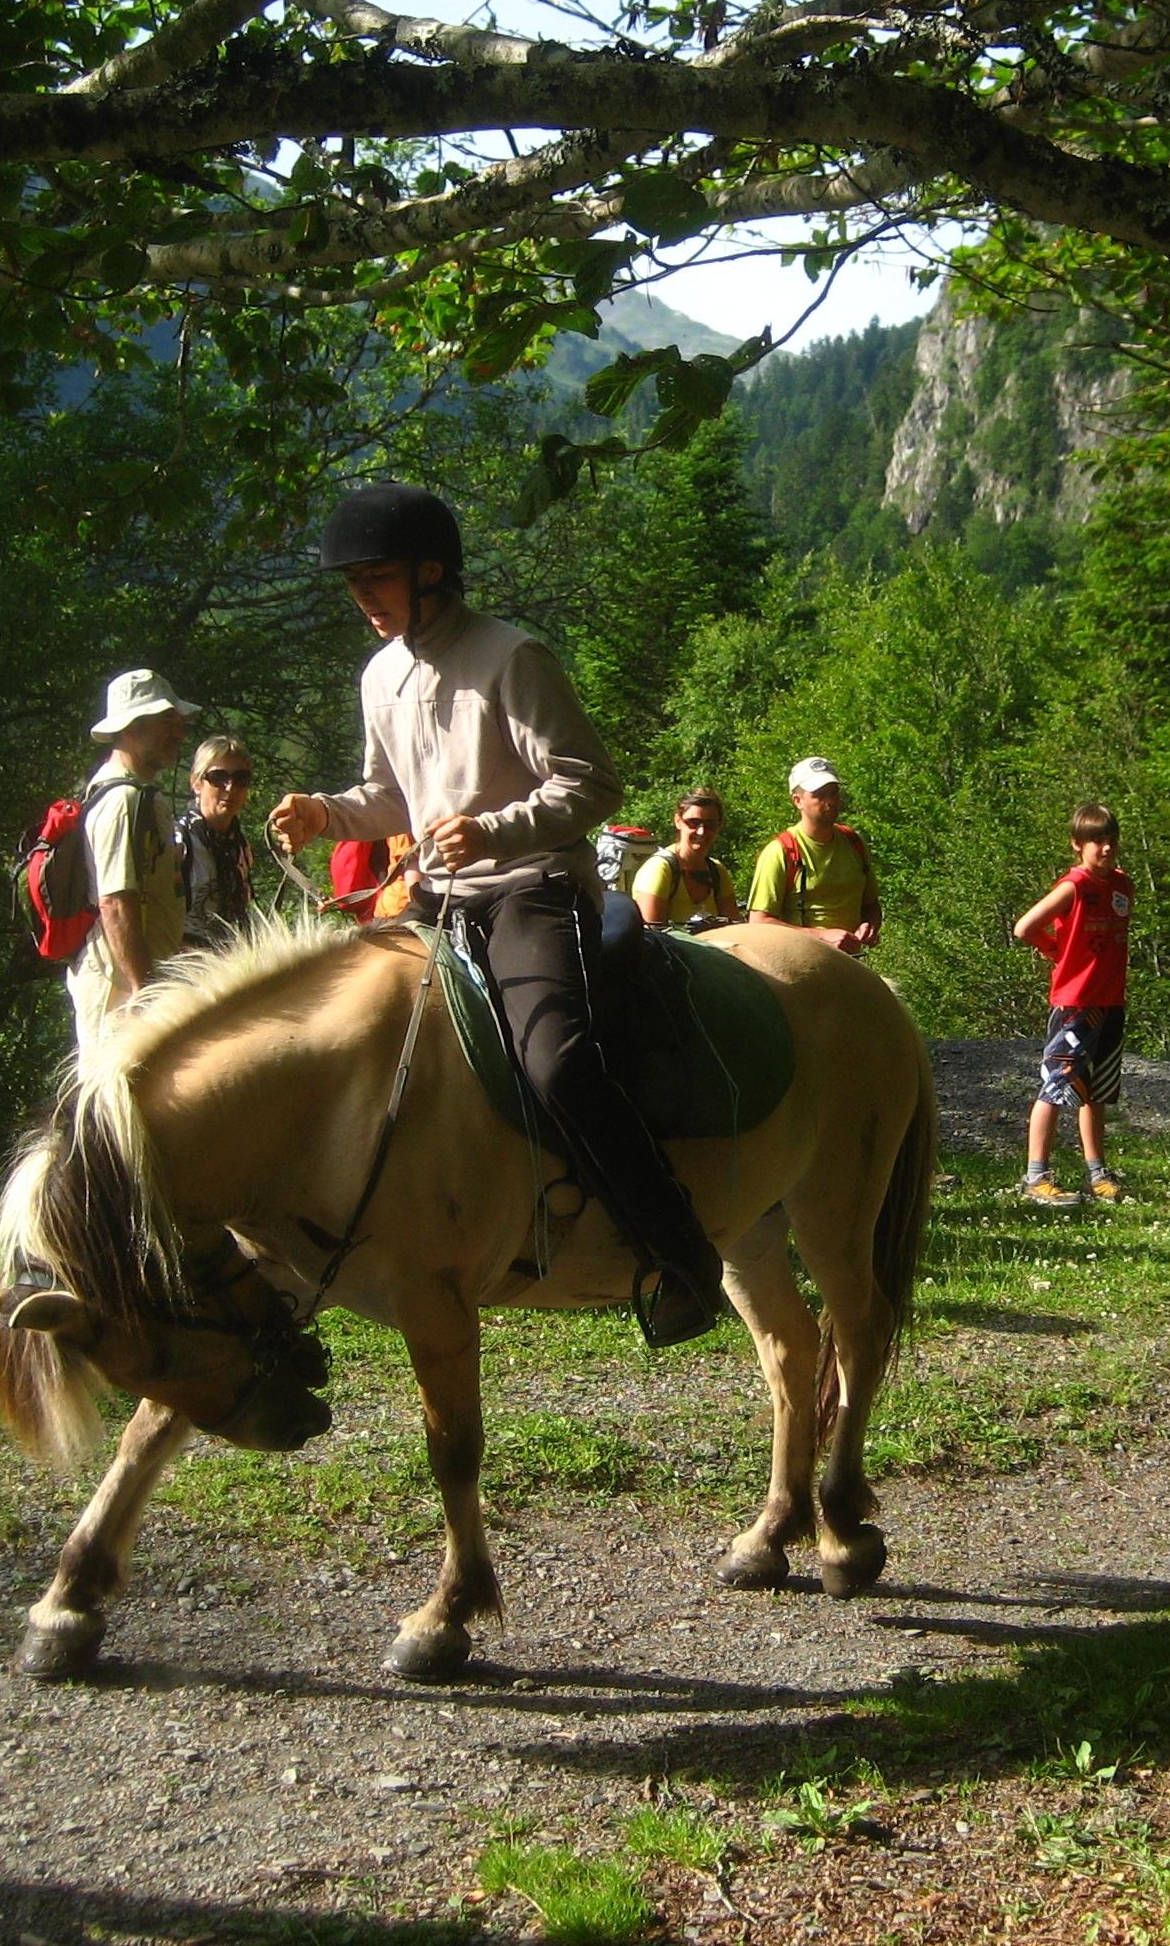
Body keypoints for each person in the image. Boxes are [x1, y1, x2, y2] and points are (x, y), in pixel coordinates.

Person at [266, 482, 726, 1347]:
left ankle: (679, 1251)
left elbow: (592, 781)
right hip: (435, 896)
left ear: (432, 571)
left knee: (555, 1060)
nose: (363, 595)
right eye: (354, 580)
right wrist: (327, 812)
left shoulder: (513, 658)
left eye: (378, 576)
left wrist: (495, 829)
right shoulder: (381, 674)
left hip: (530, 889)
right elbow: (389, 795)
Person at [68, 668, 197, 1054]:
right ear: (129, 729)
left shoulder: (138, 796)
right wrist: (144, 991)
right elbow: (114, 903)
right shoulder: (120, 802)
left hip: (138, 987)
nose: (178, 733)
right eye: (165, 722)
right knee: (120, 1109)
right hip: (119, 996)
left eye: (177, 722)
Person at [1011, 803, 1133, 1207]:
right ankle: (1036, 1176)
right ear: (1078, 845)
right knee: (1056, 1087)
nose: (1105, 847)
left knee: (1097, 1092)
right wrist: (1056, 951)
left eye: (1110, 839)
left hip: (1110, 1003)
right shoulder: (1074, 886)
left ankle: (1098, 1172)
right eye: (1096, 840)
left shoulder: (1122, 886)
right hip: (1075, 1005)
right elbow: (1025, 927)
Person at [747, 757, 881, 953]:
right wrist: (823, 936)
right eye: (819, 795)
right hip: (800, 963)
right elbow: (758, 923)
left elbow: (871, 904)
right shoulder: (781, 852)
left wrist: (869, 926)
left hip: (852, 964)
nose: (831, 802)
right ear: (797, 801)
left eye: (834, 793)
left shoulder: (853, 842)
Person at [177, 735, 257, 947]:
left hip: (235, 962)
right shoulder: (178, 841)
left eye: (241, 779)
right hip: (185, 967)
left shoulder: (239, 845)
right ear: (196, 783)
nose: (230, 788)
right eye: (218, 777)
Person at [633, 787, 743, 928]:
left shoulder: (717, 872)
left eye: (710, 825)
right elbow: (652, 934)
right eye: (693, 823)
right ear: (678, 821)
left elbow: (736, 928)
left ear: (719, 826)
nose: (701, 831)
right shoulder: (659, 869)